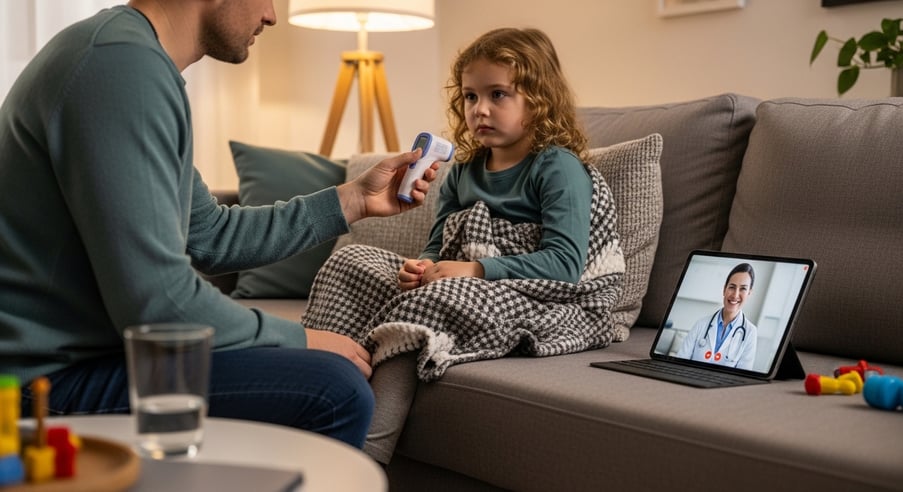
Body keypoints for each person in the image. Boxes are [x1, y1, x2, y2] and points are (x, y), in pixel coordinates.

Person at [0, 0, 439, 449]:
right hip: (40, 385)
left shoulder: (130, 58)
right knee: (334, 390)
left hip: (77, 363)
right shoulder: (120, 66)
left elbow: (211, 235)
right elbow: (159, 304)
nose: (271, 16)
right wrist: (298, 338)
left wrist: (353, 200)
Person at [302, 27, 624, 465]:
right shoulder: (463, 171)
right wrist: (422, 266)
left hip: (543, 298)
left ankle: (365, 457)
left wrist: (473, 271)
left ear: (538, 99)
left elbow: (565, 265)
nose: (480, 109)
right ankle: (318, 394)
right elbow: (438, 245)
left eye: (498, 94)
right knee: (352, 261)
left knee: (435, 299)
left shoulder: (557, 167)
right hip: (463, 284)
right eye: (471, 96)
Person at [676, 263, 758, 370]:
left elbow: (743, 374)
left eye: (743, 289)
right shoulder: (701, 324)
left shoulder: (750, 332)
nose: (735, 295)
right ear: (724, 290)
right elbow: (680, 362)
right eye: (732, 287)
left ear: (749, 293)